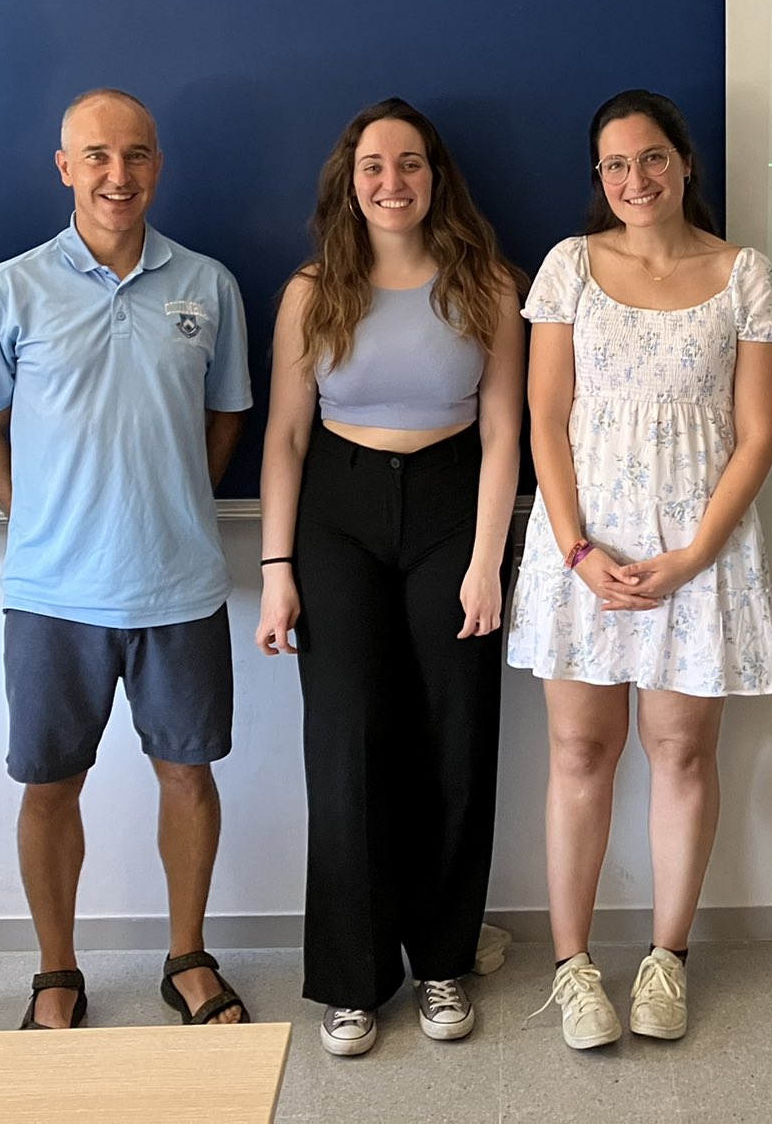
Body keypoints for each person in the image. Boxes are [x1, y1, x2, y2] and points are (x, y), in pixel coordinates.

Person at [0, 89, 253, 1032]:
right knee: (50, 785)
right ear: (64, 167)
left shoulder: (208, 286)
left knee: (188, 774)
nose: (116, 175)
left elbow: (228, 413)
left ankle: (187, 957)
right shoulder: (8, 289)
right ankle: (55, 971)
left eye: (135, 156)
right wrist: (28, 512)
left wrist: (178, 503)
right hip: (52, 591)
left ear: (157, 165)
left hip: (179, 584)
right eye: (96, 157)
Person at [507, 89, 772, 1049]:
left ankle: (667, 960)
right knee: (581, 754)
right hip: (582, 552)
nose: (635, 180)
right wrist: (580, 549)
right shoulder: (568, 268)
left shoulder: (743, 273)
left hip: (696, 553)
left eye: (652, 158)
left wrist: (695, 555)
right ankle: (575, 968)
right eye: (615, 165)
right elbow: (545, 418)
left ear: (684, 163)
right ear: (599, 176)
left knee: (680, 754)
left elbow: (757, 435)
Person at [256, 98, 524, 1057]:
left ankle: (445, 962)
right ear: (350, 179)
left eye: (410, 164)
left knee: (456, 737)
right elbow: (285, 439)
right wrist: (277, 567)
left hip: (456, 507)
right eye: (375, 165)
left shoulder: (489, 285)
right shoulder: (311, 290)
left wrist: (489, 560)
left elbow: (505, 431)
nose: (392, 182)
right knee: (347, 744)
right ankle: (353, 980)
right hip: (338, 511)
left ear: (435, 176)